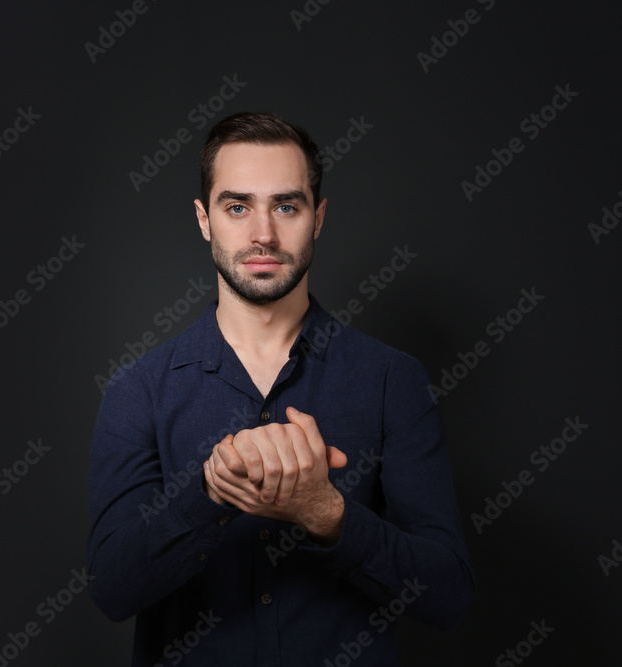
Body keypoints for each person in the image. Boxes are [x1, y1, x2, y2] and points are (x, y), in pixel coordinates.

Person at [86, 111, 474, 666]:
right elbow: (112, 589)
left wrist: (327, 514)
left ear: (318, 218)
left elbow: (449, 597)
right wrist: (211, 494)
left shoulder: (393, 380)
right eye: (237, 206)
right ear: (204, 219)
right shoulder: (138, 390)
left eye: (286, 206)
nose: (262, 233)